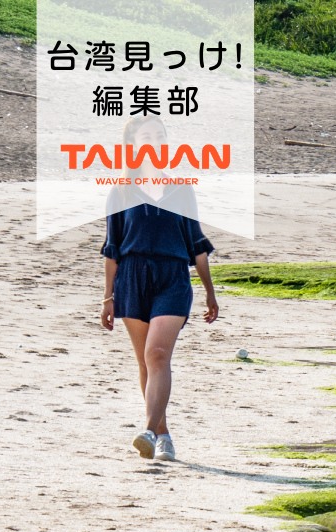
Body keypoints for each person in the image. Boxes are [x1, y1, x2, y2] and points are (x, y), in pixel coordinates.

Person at [100, 115, 219, 462]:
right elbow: (112, 248)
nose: (153, 141)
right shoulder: (120, 191)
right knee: (145, 362)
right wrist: (107, 297)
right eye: (146, 136)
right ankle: (163, 435)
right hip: (132, 279)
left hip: (172, 277)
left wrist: (210, 291)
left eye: (159, 136)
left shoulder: (181, 187)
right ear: (133, 144)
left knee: (157, 355)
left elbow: (196, 243)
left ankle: (149, 429)